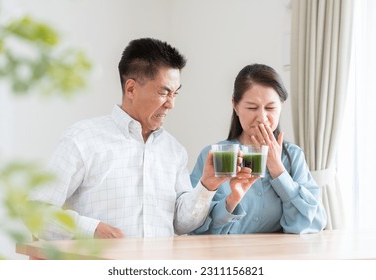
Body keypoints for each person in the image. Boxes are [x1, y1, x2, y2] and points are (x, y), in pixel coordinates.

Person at [28, 38, 253, 240]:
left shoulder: (174, 150)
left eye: (175, 93)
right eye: (164, 92)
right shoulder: (82, 139)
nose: (171, 104)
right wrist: (92, 229)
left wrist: (207, 185)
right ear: (131, 88)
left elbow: (182, 224)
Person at [190, 63, 327, 234]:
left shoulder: (293, 156)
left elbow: (313, 223)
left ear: (281, 106)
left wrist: (278, 171)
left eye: (270, 108)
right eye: (252, 108)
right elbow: (194, 227)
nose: (262, 117)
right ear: (235, 105)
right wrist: (232, 200)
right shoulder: (215, 155)